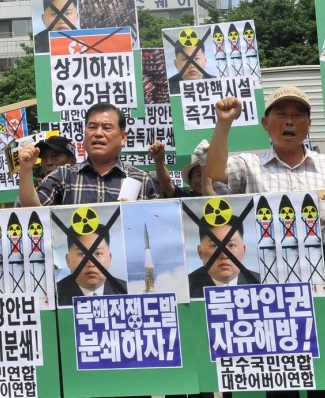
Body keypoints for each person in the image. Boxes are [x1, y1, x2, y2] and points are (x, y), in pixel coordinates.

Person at [207, 87, 325, 398]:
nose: (289, 122)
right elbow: (215, 173)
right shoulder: (249, 164)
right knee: (274, 363)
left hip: (321, 269)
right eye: (281, 115)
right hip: (264, 274)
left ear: (308, 125)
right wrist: (223, 123)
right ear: (266, 124)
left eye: (297, 116)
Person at [17, 103, 158, 207]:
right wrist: (25, 170)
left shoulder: (141, 180)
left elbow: (158, 230)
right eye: (92, 127)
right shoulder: (64, 175)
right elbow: (33, 211)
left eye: (107, 128)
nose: (98, 133)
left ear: (123, 138)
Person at [187, 220, 260, 298]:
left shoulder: (263, 283)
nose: (224, 255)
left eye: (231, 245)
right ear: (200, 252)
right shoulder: (184, 288)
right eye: (214, 246)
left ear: (243, 250)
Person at [56, 227, 126, 304]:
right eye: (82, 254)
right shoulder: (54, 295)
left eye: (98, 253)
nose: (91, 264)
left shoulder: (126, 290)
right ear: (68, 260)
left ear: (109, 258)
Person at [149, 140, 215, 198]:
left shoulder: (223, 196)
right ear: (190, 182)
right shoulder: (185, 198)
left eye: (209, 175)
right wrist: (159, 160)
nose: (204, 179)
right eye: (199, 175)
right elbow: (166, 184)